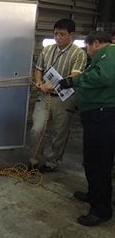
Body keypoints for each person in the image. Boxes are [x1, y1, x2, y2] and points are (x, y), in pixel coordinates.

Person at [58, 31, 115, 226]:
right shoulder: (106, 56)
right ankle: (94, 194)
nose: (88, 51)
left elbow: (104, 77)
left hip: (102, 116)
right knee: (92, 159)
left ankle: (101, 210)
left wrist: (74, 81)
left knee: (99, 162)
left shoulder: (110, 54)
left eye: (88, 47)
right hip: (97, 115)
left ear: (97, 43)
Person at [29, 18, 87, 173]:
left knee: (60, 133)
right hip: (44, 97)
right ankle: (34, 160)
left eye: (62, 34)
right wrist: (39, 81)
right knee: (37, 129)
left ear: (71, 35)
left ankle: (52, 162)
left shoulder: (79, 54)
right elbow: (38, 68)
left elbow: (75, 76)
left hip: (65, 99)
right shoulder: (47, 50)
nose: (58, 37)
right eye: (56, 33)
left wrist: (54, 85)